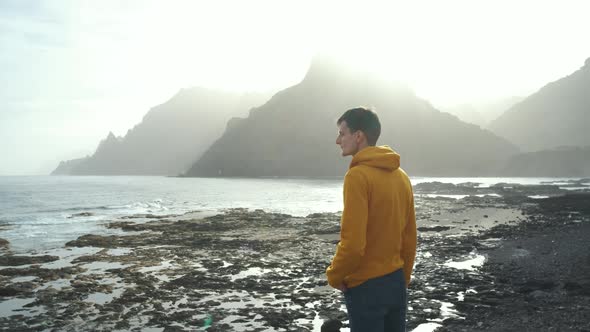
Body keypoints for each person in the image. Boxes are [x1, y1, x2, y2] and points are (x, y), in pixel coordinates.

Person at [326, 107, 417, 332]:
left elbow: (354, 244)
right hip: (396, 281)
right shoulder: (401, 176)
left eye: (342, 133)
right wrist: (402, 280)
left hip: (366, 287)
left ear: (359, 136)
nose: (338, 140)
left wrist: (334, 276)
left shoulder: (357, 176)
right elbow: (409, 237)